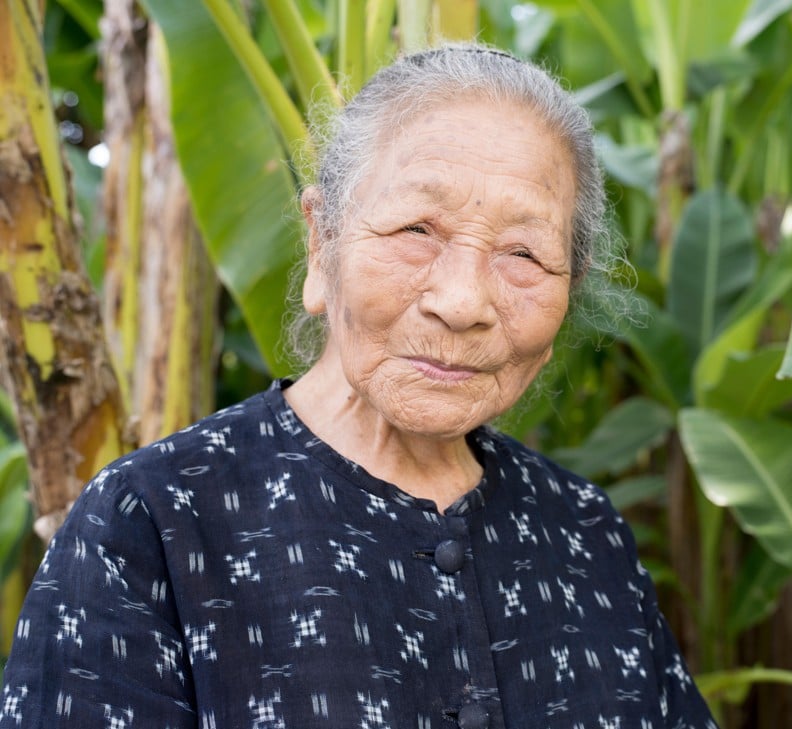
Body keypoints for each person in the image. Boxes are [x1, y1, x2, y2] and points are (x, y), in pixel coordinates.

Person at [0, 45, 717, 728]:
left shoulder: (585, 530)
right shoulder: (154, 521)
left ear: (569, 288)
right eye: (416, 228)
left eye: (524, 253)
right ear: (322, 242)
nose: (462, 300)